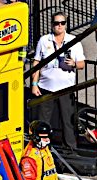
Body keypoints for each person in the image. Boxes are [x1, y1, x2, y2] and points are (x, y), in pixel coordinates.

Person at [31, 11, 85, 151]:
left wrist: (73, 63)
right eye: (56, 23)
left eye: (62, 23)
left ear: (66, 25)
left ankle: (71, 149)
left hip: (66, 87)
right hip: (46, 86)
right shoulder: (44, 40)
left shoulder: (73, 41)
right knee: (43, 118)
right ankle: (40, 147)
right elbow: (37, 63)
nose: (59, 26)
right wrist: (34, 84)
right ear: (52, 24)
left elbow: (82, 64)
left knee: (68, 119)